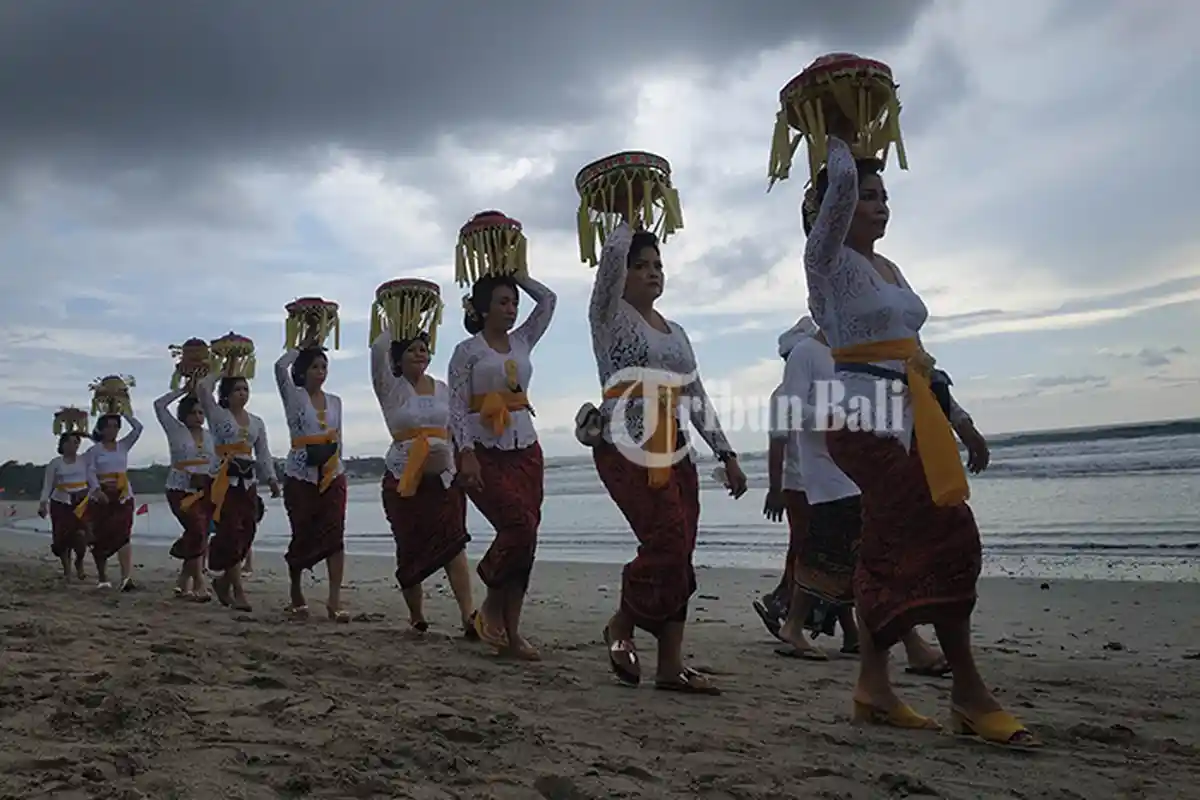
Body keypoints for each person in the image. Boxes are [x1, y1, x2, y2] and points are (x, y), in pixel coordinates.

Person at [801, 121, 1033, 746]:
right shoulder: (826, 264)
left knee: (886, 547)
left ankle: (873, 688)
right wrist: (837, 138)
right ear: (832, 211)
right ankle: (968, 690)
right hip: (859, 418)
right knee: (951, 533)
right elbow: (839, 184)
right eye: (865, 196)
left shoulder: (891, 269)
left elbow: (919, 355)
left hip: (912, 416)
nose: (878, 204)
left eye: (884, 196)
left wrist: (960, 420)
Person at [587, 221, 748, 695]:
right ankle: (621, 623)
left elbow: (695, 396)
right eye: (640, 266)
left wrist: (727, 453)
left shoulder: (676, 332)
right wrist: (624, 219)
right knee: (667, 545)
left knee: (681, 554)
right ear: (621, 274)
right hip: (625, 445)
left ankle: (670, 666)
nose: (652, 272)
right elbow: (608, 266)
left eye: (658, 264)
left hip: (675, 448)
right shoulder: (608, 316)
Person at [448, 271, 557, 659]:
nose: (511, 309)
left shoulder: (523, 340)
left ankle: (511, 633)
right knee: (517, 526)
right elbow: (458, 407)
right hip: (484, 448)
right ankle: (491, 605)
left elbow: (548, 301)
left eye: (513, 302)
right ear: (482, 309)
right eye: (502, 302)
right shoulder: (467, 351)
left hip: (525, 446)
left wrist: (518, 275)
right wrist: (466, 453)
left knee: (527, 539)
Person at [372, 326, 475, 635]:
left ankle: (468, 615)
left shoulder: (443, 389)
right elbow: (377, 349)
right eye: (412, 349)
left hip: (444, 480)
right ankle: (416, 615)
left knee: (454, 543)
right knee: (410, 546)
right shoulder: (390, 388)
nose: (419, 354)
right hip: (404, 479)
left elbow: (458, 425)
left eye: (423, 349)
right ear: (398, 358)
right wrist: (398, 317)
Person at [275, 346, 348, 621]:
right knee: (302, 533)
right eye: (315, 367)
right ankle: (296, 591)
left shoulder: (336, 401)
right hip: (300, 474)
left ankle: (334, 599)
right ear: (302, 371)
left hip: (332, 472)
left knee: (335, 534)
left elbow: (340, 436)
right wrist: (300, 345)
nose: (320, 372)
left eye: (324, 367)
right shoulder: (294, 397)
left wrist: (339, 464)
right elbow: (279, 369)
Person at [196, 371, 279, 611]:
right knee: (230, 531)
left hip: (248, 481)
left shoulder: (256, 421)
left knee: (248, 530)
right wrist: (223, 370)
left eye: (245, 389)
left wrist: (271, 478)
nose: (242, 393)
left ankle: (223, 582)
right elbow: (203, 387)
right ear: (226, 395)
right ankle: (238, 590)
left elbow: (263, 452)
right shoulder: (218, 415)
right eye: (237, 389)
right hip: (223, 480)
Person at [154, 387, 217, 601]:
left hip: (205, 489)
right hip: (180, 489)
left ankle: (182, 582)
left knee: (201, 534)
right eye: (193, 412)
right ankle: (199, 583)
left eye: (201, 413)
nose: (198, 417)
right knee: (197, 530)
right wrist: (184, 390)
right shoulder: (175, 430)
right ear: (184, 414)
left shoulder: (211, 435)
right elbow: (159, 405)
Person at [80, 411, 144, 591]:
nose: (112, 430)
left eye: (116, 426)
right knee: (100, 537)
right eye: (108, 426)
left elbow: (138, 428)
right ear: (100, 429)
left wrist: (123, 411)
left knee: (124, 534)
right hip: (101, 497)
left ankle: (126, 577)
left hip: (123, 496)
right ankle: (102, 577)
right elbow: (89, 472)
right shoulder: (94, 451)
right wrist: (97, 490)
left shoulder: (123, 446)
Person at [38, 431, 90, 582]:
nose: (75, 445)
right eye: (71, 442)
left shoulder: (84, 460)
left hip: (81, 503)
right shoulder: (56, 463)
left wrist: (86, 434)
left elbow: (99, 444)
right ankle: (67, 569)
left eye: (77, 442)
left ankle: (79, 561)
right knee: (62, 538)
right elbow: (47, 486)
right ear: (63, 444)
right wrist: (43, 504)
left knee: (81, 537)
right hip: (60, 503)